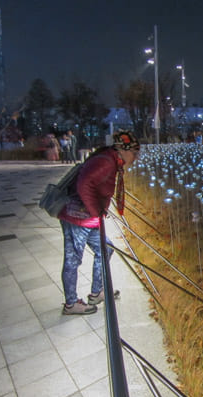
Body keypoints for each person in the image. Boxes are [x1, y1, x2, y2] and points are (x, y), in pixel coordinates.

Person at [58, 130, 140, 314]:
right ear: (124, 150)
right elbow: (84, 184)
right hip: (77, 216)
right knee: (73, 259)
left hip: (88, 217)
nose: (136, 157)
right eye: (134, 152)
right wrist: (96, 210)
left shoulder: (112, 160)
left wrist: (99, 210)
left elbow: (96, 185)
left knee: (106, 248)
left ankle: (97, 292)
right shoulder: (106, 161)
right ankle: (71, 304)